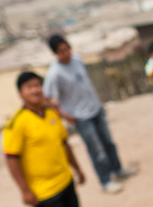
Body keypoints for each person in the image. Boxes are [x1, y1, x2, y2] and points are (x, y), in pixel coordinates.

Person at [3, 71, 109, 207]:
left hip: (65, 181)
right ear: (21, 93)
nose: (35, 90)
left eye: (37, 85)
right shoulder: (17, 123)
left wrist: (77, 169)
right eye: (29, 87)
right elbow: (11, 158)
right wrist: (24, 190)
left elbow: (64, 144)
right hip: (42, 193)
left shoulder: (51, 114)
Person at [43, 34, 131, 194]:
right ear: (55, 53)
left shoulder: (77, 60)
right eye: (62, 51)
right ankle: (105, 181)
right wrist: (64, 115)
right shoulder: (54, 74)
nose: (66, 53)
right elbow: (49, 98)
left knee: (108, 142)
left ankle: (117, 170)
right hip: (80, 116)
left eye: (67, 48)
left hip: (95, 109)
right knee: (96, 149)